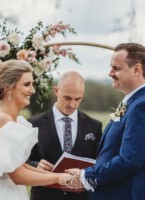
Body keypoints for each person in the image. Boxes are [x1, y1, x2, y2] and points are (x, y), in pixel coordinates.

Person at [67, 43, 145, 200]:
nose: (110, 73)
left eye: (116, 68)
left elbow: (129, 161)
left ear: (137, 69)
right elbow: (110, 150)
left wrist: (85, 177)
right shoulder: (133, 102)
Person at [0, 60, 73, 200]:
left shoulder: (12, 120)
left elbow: (20, 166)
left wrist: (59, 175)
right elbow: (17, 176)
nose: (33, 90)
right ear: (8, 87)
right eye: (26, 84)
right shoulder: (2, 120)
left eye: (32, 84)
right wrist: (60, 179)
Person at [27, 71, 102, 200]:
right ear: (56, 91)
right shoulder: (33, 124)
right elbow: (20, 161)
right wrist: (36, 165)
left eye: (78, 99)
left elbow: (100, 162)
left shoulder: (94, 126)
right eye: (67, 98)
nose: (72, 104)